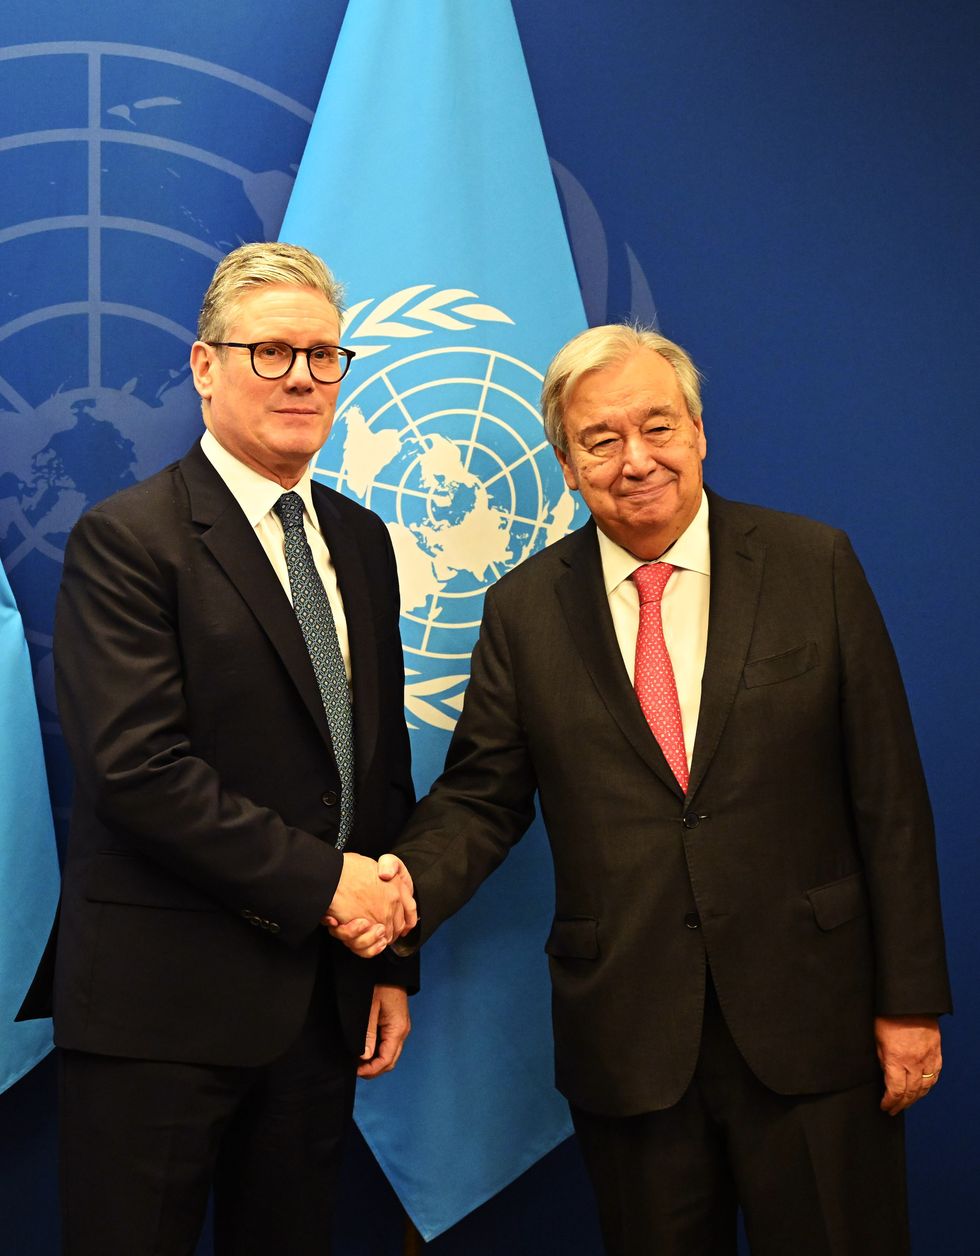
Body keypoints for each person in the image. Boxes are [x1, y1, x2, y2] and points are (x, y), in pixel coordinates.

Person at [335, 324, 951, 1254]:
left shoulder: (812, 564)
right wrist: (400, 893)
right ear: (567, 465)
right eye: (601, 440)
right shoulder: (524, 610)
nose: (636, 461)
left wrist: (909, 1003)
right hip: (630, 1038)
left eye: (657, 427)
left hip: (814, 1025)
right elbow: (482, 798)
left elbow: (890, 797)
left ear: (700, 432)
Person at [18, 242, 418, 1256]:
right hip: (161, 1009)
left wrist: (388, 959)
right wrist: (328, 884)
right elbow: (135, 770)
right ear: (204, 366)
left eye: (324, 355)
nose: (301, 378)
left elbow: (372, 770)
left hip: (318, 1008)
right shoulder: (129, 537)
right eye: (271, 351)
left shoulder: (362, 541)